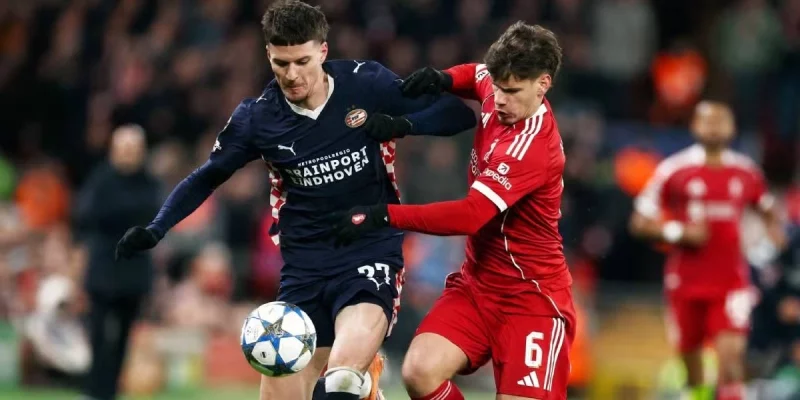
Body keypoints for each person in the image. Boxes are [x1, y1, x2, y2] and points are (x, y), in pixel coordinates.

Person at [114, 1, 476, 400]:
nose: (292, 74)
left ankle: (359, 379)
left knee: (340, 379)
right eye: (281, 63)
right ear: (268, 55)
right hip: (304, 267)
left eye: (302, 61)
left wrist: (401, 124)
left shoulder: (365, 83)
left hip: (369, 251)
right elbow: (207, 177)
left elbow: (457, 116)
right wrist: (157, 228)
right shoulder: (258, 118)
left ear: (322, 51)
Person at [331, 22, 576, 400]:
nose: (500, 99)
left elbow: (469, 216)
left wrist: (385, 215)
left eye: (511, 91)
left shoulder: (532, 148)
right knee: (419, 372)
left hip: (532, 300)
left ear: (543, 84)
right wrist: (443, 78)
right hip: (477, 287)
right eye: (498, 88)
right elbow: (477, 75)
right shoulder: (499, 88)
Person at [629, 101, 787, 400]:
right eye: (707, 121)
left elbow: (770, 215)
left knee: (730, 362)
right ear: (695, 126)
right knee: (693, 370)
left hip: (730, 282)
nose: (714, 127)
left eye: (721, 121)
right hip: (685, 281)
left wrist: (766, 250)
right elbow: (639, 222)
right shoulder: (674, 170)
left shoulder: (747, 172)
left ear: (732, 127)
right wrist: (679, 232)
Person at [74, 125, 161, 400]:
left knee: (124, 334)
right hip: (103, 267)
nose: (127, 155)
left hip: (134, 270)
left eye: (133, 149)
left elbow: (152, 215)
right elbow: (88, 215)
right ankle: (95, 390)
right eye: (123, 149)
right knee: (97, 333)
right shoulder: (100, 179)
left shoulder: (149, 182)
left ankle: (111, 390)